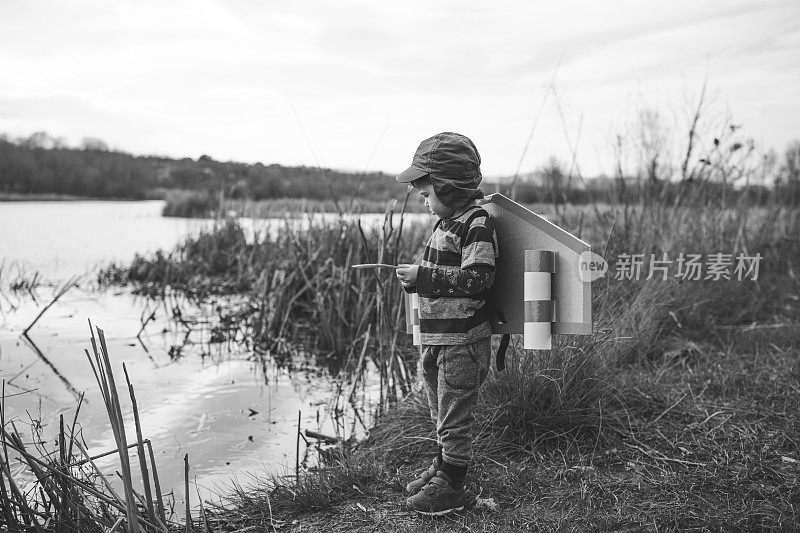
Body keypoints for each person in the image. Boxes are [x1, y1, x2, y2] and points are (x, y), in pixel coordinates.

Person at [394, 132, 498, 515]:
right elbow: (440, 276)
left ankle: (452, 483)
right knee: (439, 409)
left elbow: (478, 278)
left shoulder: (476, 223)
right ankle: (442, 465)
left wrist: (424, 277)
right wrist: (415, 282)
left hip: (463, 341)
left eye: (426, 192)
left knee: (454, 413)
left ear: (449, 187)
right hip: (438, 337)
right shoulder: (446, 223)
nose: (423, 200)